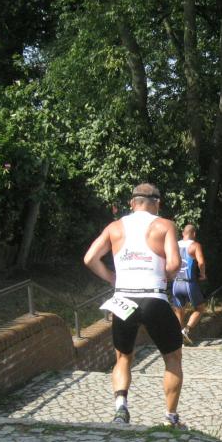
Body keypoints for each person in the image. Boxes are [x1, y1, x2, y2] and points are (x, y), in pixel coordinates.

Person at [83, 182, 187, 428]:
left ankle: (121, 409)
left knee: (123, 357)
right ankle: (171, 418)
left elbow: (90, 258)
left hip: (123, 299)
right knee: (173, 358)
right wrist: (164, 276)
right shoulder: (164, 225)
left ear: (132, 203)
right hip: (153, 298)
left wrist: (112, 278)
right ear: (157, 203)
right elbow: (174, 264)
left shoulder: (115, 227)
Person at [172, 224, 207, 345]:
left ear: (183, 233)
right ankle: (186, 330)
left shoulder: (174, 245)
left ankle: (177, 338)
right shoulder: (195, 245)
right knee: (200, 308)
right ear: (194, 234)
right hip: (189, 283)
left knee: (179, 311)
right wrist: (202, 274)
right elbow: (201, 262)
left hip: (176, 284)